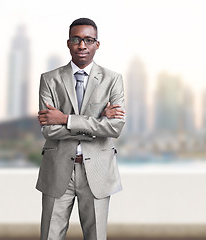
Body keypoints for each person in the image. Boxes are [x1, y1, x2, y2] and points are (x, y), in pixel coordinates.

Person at [36, 18, 126, 240]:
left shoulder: (113, 80)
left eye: (88, 40)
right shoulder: (49, 80)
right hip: (57, 171)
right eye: (76, 39)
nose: (82, 45)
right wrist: (96, 123)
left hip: (97, 171)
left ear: (97, 44)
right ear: (68, 43)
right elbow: (49, 131)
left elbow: (114, 128)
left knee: (96, 236)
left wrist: (65, 118)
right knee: (50, 236)